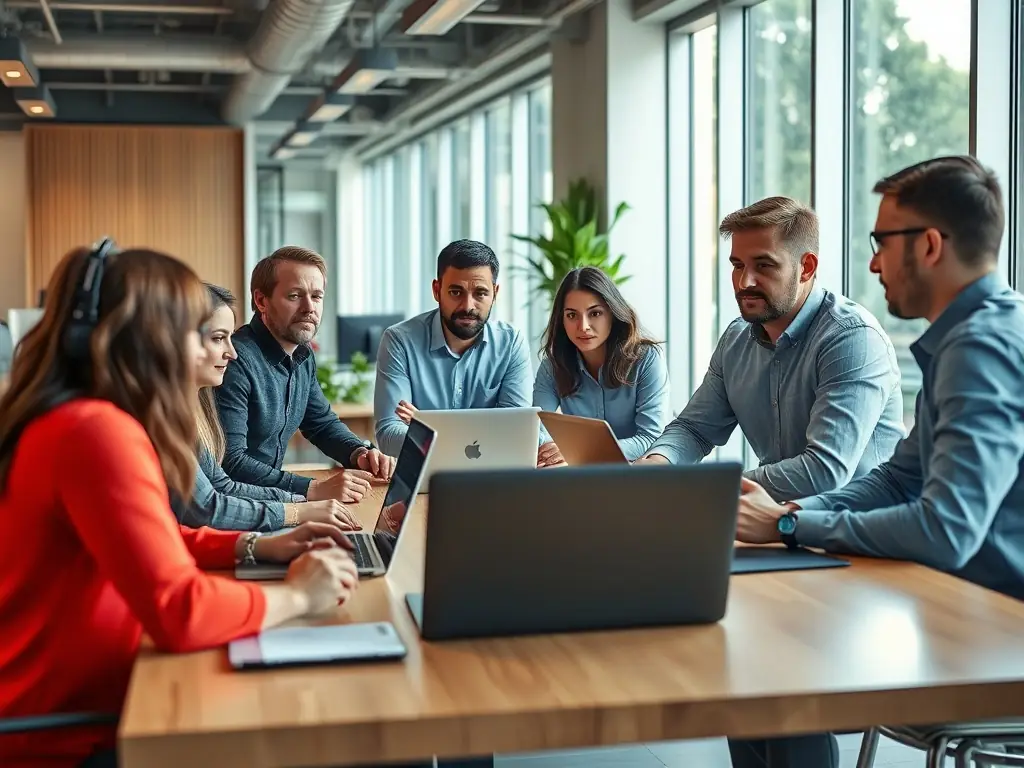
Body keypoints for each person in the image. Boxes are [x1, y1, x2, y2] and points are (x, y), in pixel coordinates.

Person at [0, 244, 360, 768]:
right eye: (201, 333)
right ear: (152, 339)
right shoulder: (95, 433)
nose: (226, 350)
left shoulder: (88, 421)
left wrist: (256, 545)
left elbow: (160, 542)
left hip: (104, 696)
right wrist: (300, 596)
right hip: (69, 734)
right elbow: (179, 611)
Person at [731, 156, 1024, 767]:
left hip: (995, 631)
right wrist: (791, 513)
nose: (872, 264)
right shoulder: (966, 339)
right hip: (959, 604)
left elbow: (945, 530)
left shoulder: (981, 347)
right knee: (764, 649)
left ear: (931, 245)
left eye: (882, 242)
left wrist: (789, 525)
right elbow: (897, 477)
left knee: (776, 659)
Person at [638, 196, 905, 502]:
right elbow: (695, 429)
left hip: (854, 523)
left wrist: (707, 488)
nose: (744, 282)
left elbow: (824, 471)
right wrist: (658, 464)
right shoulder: (736, 339)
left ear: (806, 268)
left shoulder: (852, 338)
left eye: (763, 265)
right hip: (773, 517)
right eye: (737, 265)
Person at [215, 246, 394, 504]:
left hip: (272, 500)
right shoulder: (234, 360)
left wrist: (359, 453)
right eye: (295, 295)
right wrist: (311, 488)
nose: (309, 308)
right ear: (261, 301)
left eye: (317, 296)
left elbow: (321, 423)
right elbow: (231, 461)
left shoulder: (303, 354)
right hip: (238, 504)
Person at [181, 283, 361, 533]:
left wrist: (302, 501)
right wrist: (301, 507)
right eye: (219, 338)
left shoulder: (193, 408)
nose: (232, 353)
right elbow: (210, 507)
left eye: (317, 296)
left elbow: (222, 487)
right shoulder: (166, 417)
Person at [373, 239, 533, 458]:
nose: (468, 306)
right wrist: (467, 440)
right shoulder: (399, 341)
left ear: (495, 293)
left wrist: (428, 431)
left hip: (491, 474)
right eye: (456, 292)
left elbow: (516, 434)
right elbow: (389, 437)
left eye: (480, 293)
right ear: (437, 290)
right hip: (424, 476)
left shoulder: (511, 344)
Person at [533, 266, 670, 465]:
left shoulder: (647, 359)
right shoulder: (552, 367)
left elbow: (651, 438)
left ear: (612, 313)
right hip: (583, 477)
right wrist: (552, 450)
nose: (583, 326)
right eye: (572, 315)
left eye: (595, 313)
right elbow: (536, 430)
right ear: (561, 320)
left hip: (638, 475)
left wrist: (579, 451)